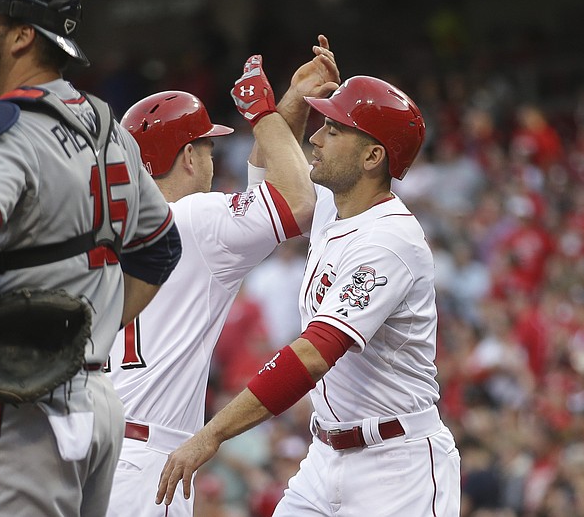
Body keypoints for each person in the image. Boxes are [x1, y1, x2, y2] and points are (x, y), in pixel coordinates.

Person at [0, 0, 181, 516]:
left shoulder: (5, 128)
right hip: (94, 401)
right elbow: (161, 246)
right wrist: (92, 328)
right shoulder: (105, 123)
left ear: (21, 37)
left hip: (19, 408)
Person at [157, 72, 462, 515]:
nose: (317, 138)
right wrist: (293, 101)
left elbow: (314, 354)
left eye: (333, 130)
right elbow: (269, 180)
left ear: (373, 156)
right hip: (325, 455)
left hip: (398, 466)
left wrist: (213, 433)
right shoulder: (334, 208)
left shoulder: (390, 240)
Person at [105, 38, 340, 516]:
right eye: (208, 148)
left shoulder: (107, 231)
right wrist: (262, 112)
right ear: (189, 157)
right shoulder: (193, 219)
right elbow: (298, 203)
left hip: (93, 453)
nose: (213, 161)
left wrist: (287, 108)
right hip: (148, 463)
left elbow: (265, 193)